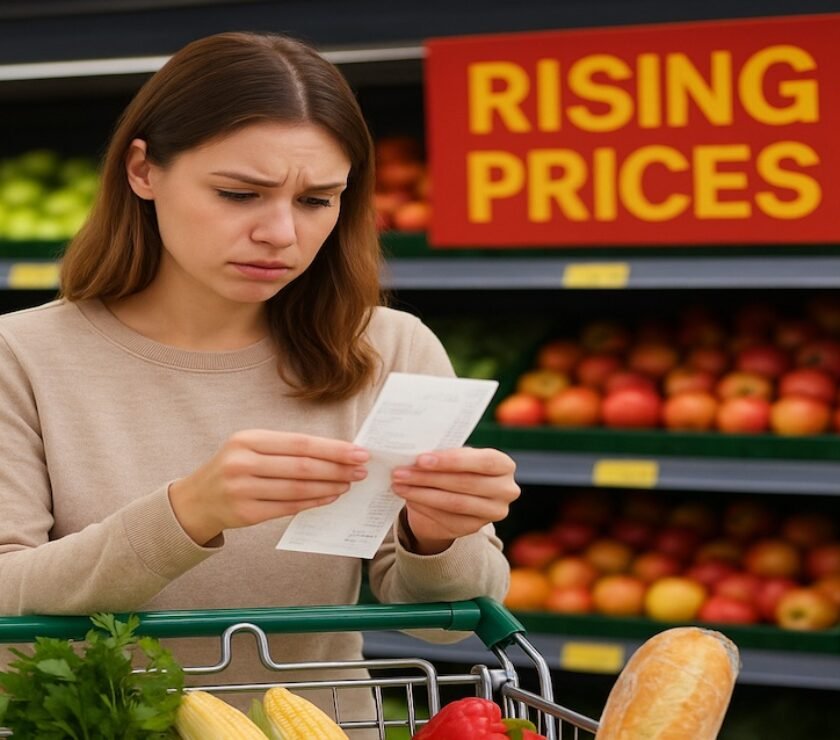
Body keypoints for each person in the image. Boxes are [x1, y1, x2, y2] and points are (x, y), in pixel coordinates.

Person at [0, 31, 519, 728]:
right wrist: (186, 514)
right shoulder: (20, 356)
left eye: (317, 201)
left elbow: (446, 627)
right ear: (143, 170)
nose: (281, 232)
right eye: (240, 193)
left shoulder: (390, 348)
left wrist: (438, 536)